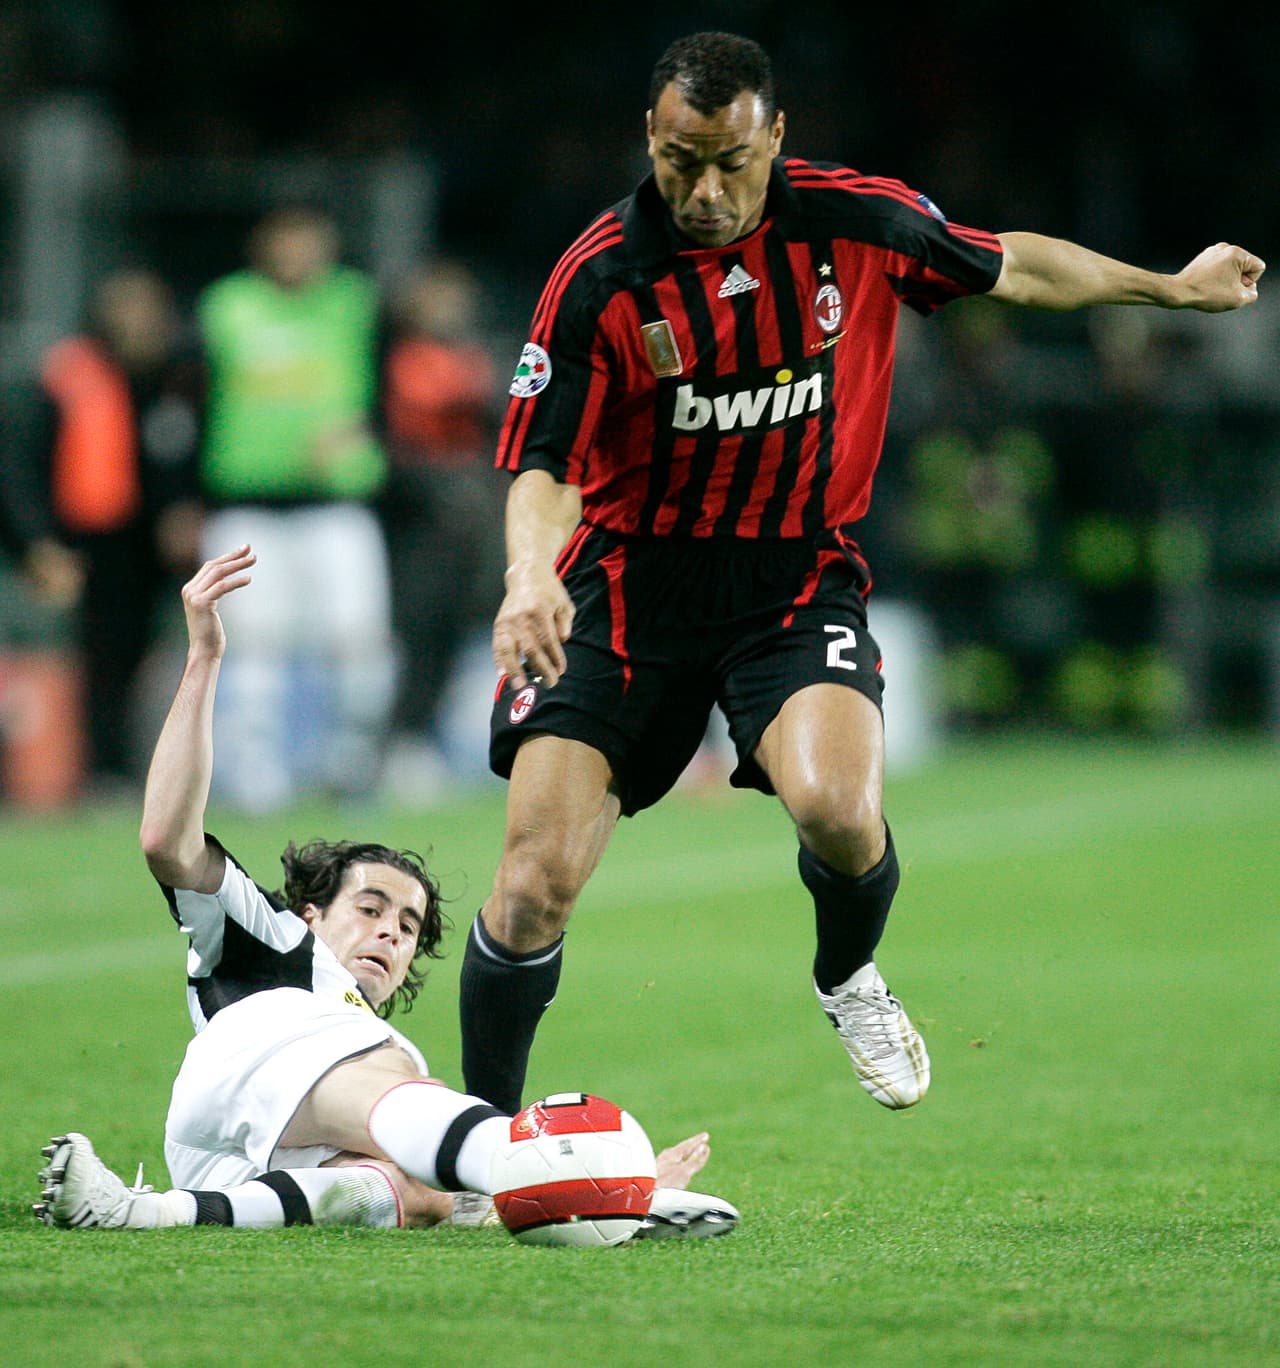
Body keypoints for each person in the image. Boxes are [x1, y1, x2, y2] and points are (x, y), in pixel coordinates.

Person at [459, 31, 1265, 1117]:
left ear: (775, 138)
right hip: (624, 585)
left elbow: (1013, 265)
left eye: (731, 162)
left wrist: (1167, 290)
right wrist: (527, 573)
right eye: (681, 162)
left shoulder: (854, 220)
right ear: (649, 138)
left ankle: (845, 975)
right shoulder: (599, 276)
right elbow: (545, 464)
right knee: (530, 889)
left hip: (791, 582)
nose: (705, 192)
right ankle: (479, 1150)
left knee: (840, 813)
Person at [33, 546, 735, 1238]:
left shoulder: (374, 1041)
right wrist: (205, 657)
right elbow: (166, 841)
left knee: (417, 1192)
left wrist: (611, 1204)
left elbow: (461, 1204)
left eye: (407, 926)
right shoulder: (274, 937)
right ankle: (550, 1162)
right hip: (257, 1066)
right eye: (370, 908)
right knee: (395, 1078)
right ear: (311, 913)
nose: (391, 932)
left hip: (232, 1156)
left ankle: (145, 1211)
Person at [197, 204, 394, 811]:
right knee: (253, 645)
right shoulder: (225, 306)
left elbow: (395, 384)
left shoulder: (357, 303)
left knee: (358, 638)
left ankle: (352, 767)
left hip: (337, 502)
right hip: (246, 501)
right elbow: (194, 393)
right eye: (283, 240)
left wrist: (370, 428)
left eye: (305, 240)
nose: (294, 253)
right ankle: (255, 779)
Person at [0, 267, 203, 790]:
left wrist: (186, 509)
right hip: (78, 546)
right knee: (83, 662)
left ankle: (134, 769)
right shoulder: (64, 377)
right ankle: (86, 771)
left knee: (149, 661)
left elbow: (181, 457)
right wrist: (36, 543)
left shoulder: (175, 379)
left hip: (147, 551)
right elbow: (20, 465)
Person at [378, 260, 507, 800]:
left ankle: (436, 744)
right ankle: (399, 744)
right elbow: (393, 439)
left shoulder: (474, 356)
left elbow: (499, 422)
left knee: (460, 632)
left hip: (470, 519)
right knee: (417, 634)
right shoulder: (392, 358)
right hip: (413, 523)